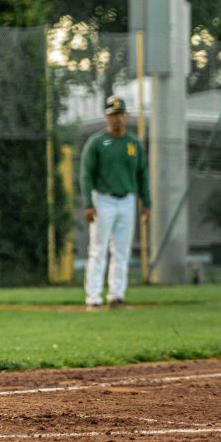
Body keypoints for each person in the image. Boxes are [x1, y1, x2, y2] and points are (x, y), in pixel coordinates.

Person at [81, 95, 150, 309]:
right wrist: (88, 203)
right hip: (103, 199)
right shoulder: (98, 142)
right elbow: (86, 175)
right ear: (106, 117)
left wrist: (146, 203)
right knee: (98, 249)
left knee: (121, 250)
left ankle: (116, 296)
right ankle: (93, 298)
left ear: (127, 116)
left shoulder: (133, 144)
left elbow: (142, 174)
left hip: (127, 199)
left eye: (120, 114)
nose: (117, 118)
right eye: (113, 114)